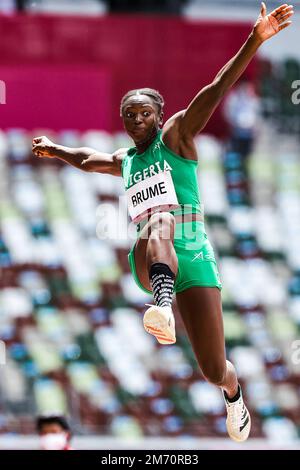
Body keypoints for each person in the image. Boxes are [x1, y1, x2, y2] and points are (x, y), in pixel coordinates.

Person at [32, 3, 293, 442]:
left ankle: (235, 396)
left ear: (159, 114)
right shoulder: (127, 160)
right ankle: (161, 304)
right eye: (129, 116)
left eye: (144, 114)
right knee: (158, 223)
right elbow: (87, 158)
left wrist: (256, 39)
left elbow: (216, 86)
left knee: (213, 369)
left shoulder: (178, 135)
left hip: (195, 257)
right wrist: (55, 148)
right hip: (151, 257)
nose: (137, 121)